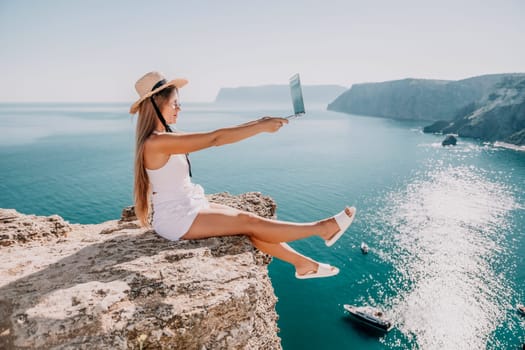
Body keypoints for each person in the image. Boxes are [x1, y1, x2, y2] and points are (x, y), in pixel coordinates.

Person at [129, 71, 356, 279]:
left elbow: (215, 135)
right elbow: (215, 138)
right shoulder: (157, 142)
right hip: (176, 219)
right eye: (175, 104)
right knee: (249, 222)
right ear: (157, 105)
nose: (179, 109)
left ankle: (303, 264)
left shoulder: (164, 137)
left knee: (249, 222)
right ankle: (322, 228)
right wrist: (260, 127)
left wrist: (260, 122)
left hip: (189, 204)